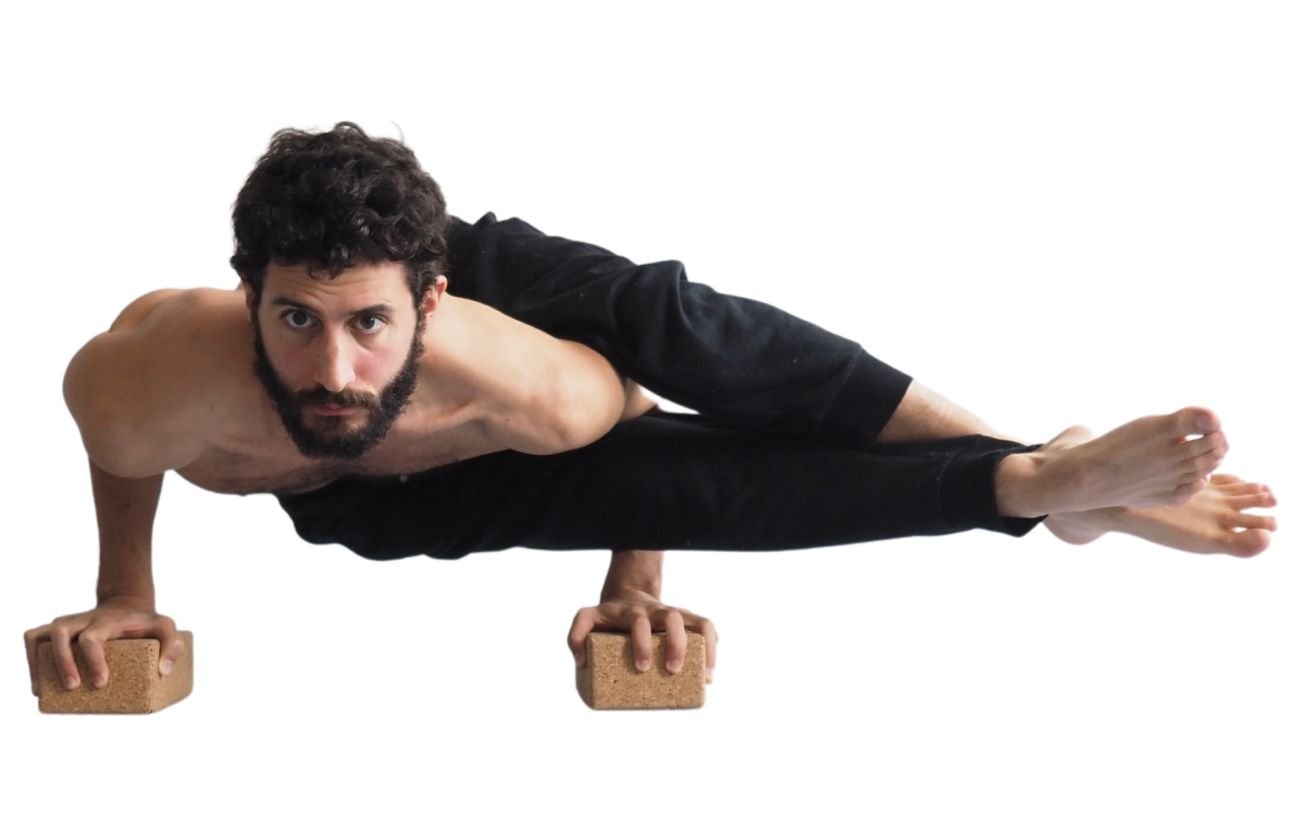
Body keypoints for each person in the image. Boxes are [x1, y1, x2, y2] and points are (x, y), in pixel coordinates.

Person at [23, 122, 1278, 699]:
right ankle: (1037, 475)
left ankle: (1027, 480)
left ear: (427, 302)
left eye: (367, 328)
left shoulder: (529, 382)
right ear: (249, 300)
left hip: (520, 334)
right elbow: (118, 453)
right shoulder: (144, 382)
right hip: (372, 493)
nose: (335, 371)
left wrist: (637, 570)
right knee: (415, 495)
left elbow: (650, 437)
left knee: (676, 329)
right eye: (295, 321)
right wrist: (124, 587)